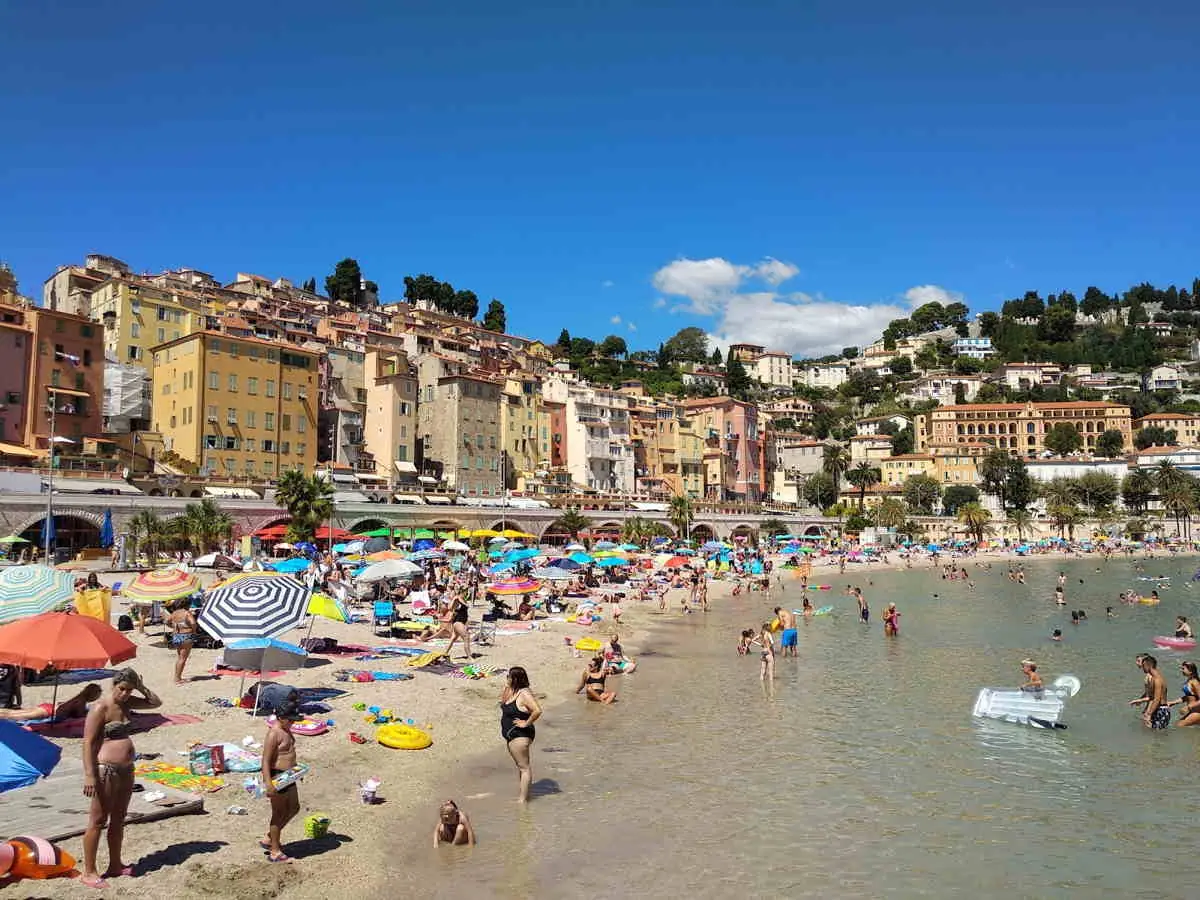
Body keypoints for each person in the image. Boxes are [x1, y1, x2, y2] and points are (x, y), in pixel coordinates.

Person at [80, 669, 161, 889]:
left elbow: (155, 703)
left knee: (119, 818)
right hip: (106, 769)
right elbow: (87, 742)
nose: (125, 694)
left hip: (126, 769)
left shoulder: (128, 703)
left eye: (129, 690)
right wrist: (90, 775)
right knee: (97, 821)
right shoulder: (100, 707)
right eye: (121, 689)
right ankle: (89, 871)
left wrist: (141, 687)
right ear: (113, 685)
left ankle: (115, 865)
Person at [261, 700, 301, 863]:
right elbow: (265, 761)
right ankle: (275, 851)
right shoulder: (274, 733)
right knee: (278, 813)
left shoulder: (286, 729)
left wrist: (297, 770)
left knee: (294, 808)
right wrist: (268, 783)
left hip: (289, 775)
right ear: (280, 717)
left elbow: (289, 753)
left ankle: (270, 838)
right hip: (277, 776)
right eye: (290, 720)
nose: (292, 723)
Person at [499, 667, 542, 803]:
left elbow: (537, 710)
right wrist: (506, 687)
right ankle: (524, 795)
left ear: (515, 679)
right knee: (521, 766)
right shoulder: (511, 690)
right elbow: (503, 702)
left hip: (521, 734)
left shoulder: (524, 693)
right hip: (511, 734)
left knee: (524, 767)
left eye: (509, 677)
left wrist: (526, 723)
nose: (507, 678)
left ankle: (522, 802)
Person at [166, 598, 198, 685]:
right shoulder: (186, 613)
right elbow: (193, 623)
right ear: (187, 605)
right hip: (186, 636)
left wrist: (174, 627)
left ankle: (177, 677)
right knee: (182, 659)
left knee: (180, 658)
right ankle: (177, 679)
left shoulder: (174, 613)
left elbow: (167, 622)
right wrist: (194, 631)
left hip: (176, 636)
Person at [1135, 655, 1170, 730]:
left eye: (1143, 665)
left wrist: (1149, 714)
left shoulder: (1157, 679)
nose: (1142, 668)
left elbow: (1156, 699)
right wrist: (1140, 700)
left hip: (1161, 710)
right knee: (1152, 735)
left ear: (1148, 665)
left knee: (1158, 736)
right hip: (1158, 709)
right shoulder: (1154, 678)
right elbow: (1151, 696)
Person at [1168, 661, 1200, 726]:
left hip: (1197, 712)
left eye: (1183, 669)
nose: (1181, 670)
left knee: (1178, 726)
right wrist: (1173, 702)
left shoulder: (1195, 682)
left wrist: (1188, 707)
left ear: (1190, 671)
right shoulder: (1189, 681)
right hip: (1193, 711)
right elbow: (1189, 697)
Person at [444, 593, 473, 660]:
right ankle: (469, 657)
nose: (464, 595)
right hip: (458, 622)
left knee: (453, 639)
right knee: (466, 637)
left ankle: (445, 653)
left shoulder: (462, 600)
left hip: (460, 622)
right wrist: (454, 598)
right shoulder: (457, 600)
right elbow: (450, 608)